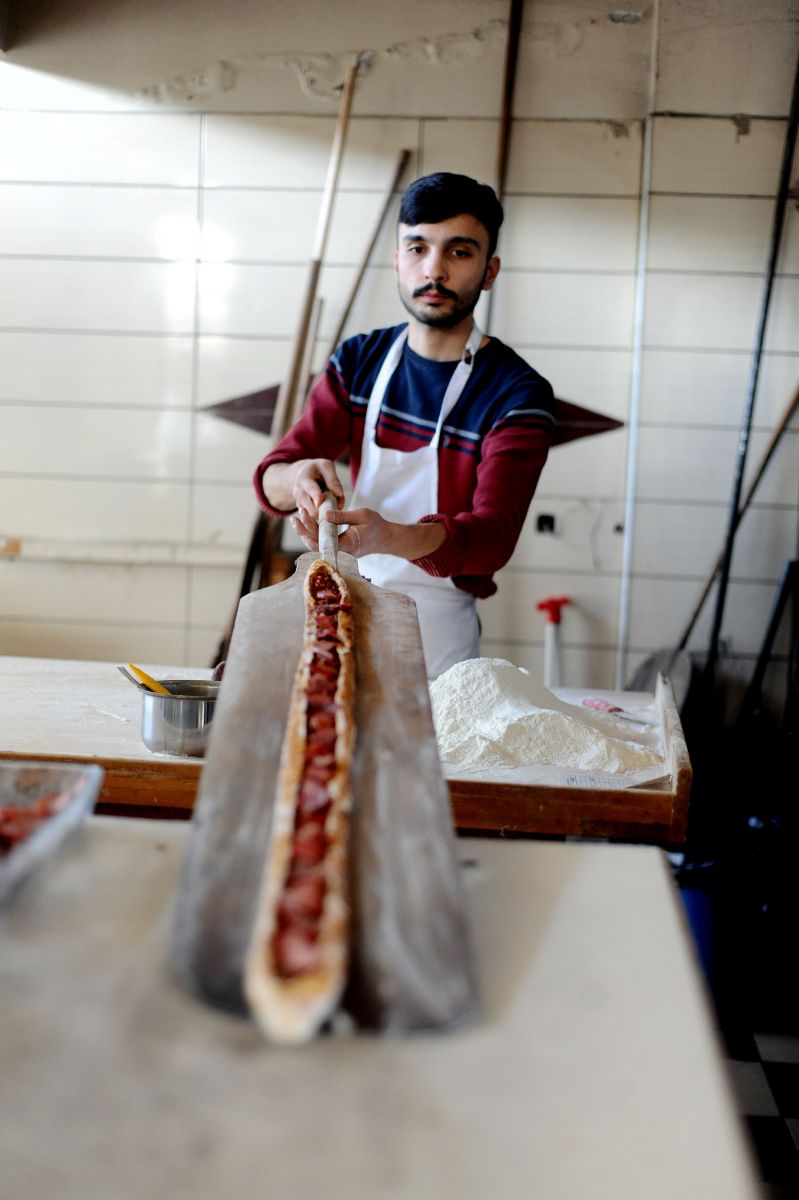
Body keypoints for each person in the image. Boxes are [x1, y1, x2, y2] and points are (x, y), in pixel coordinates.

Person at [254, 172, 556, 678]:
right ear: (397, 259)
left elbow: (493, 538)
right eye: (417, 248)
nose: (433, 270)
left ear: (489, 270)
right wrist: (297, 478)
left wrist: (392, 537)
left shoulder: (516, 393)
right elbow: (273, 477)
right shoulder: (359, 360)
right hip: (340, 612)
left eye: (459, 252)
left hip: (437, 638)